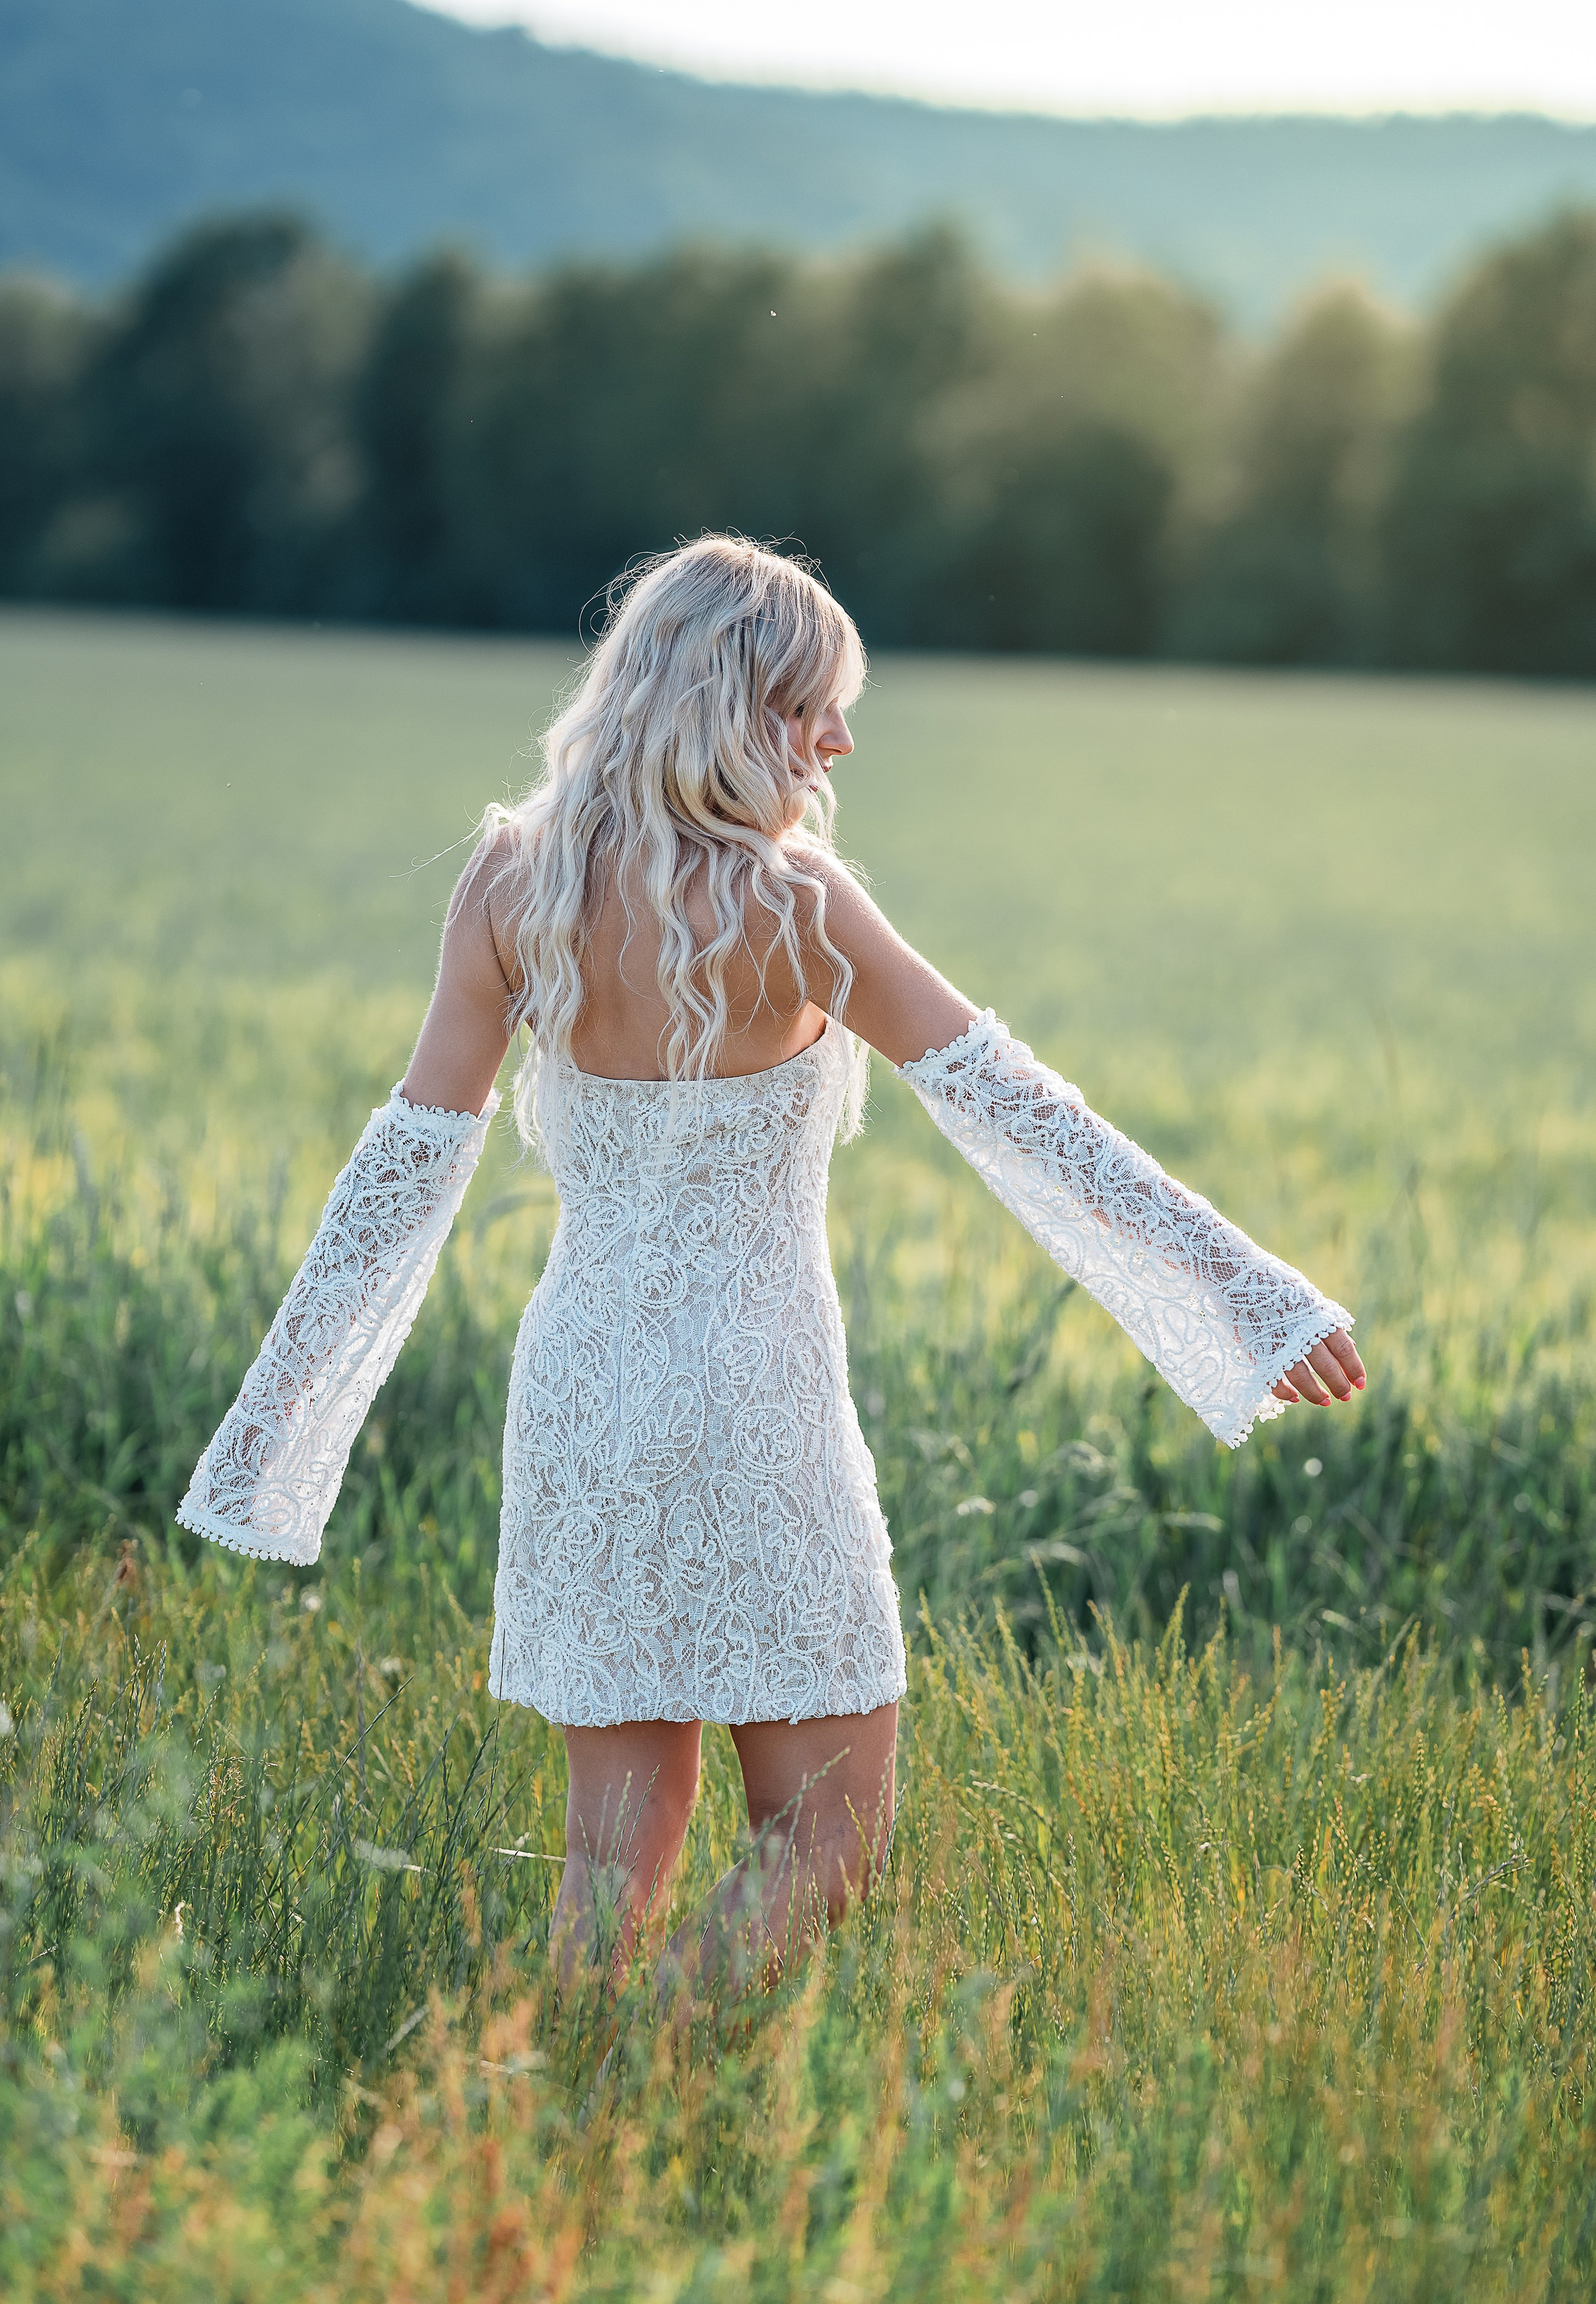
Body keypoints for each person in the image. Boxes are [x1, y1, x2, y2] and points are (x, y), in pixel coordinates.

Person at [178, 535, 1365, 1994]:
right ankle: (662, 2058)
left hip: (581, 1393)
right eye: (814, 705)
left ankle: (572, 2097)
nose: (840, 740)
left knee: (611, 1850)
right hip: (755, 1397)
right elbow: (1021, 1112)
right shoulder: (798, 903)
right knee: (829, 1838)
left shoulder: (513, 876)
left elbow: (407, 1162)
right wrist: (1250, 1298)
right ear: (729, 705)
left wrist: (277, 1412)